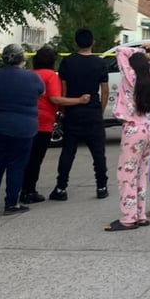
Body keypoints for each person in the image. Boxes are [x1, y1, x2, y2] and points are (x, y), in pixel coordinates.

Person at [105, 42, 150, 231]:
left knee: (126, 175)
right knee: (141, 174)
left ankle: (129, 218)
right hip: (148, 130)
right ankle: (141, 215)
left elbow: (120, 51)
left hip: (132, 131)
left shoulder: (130, 77)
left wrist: (139, 50)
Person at [21, 45, 90, 204]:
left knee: (26, 157)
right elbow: (55, 98)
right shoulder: (51, 76)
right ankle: (29, 190)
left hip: (28, 119)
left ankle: (21, 188)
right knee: (36, 158)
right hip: (44, 121)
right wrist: (78, 100)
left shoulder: (29, 74)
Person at [0, 44, 44, 217]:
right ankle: (11, 203)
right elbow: (41, 92)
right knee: (16, 166)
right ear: (22, 58)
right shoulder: (32, 78)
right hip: (24, 127)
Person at [51, 29, 109, 201]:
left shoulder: (68, 62)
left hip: (73, 111)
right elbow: (104, 90)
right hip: (93, 112)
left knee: (68, 151)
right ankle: (101, 186)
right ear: (93, 42)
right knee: (98, 152)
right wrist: (100, 110)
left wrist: (64, 108)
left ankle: (61, 187)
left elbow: (64, 88)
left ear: (76, 43)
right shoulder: (100, 63)